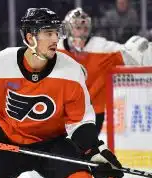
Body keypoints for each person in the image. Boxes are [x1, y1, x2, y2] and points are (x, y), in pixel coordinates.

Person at [0, 8, 124, 178]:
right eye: (48, 33)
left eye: (57, 33)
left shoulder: (71, 70)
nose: (56, 39)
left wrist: (94, 151)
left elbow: (79, 121)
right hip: (4, 142)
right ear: (29, 37)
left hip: (53, 143)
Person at [58, 7, 149, 135]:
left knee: (83, 150)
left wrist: (139, 47)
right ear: (68, 29)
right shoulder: (55, 49)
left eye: (85, 28)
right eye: (78, 28)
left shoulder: (102, 47)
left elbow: (128, 54)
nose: (82, 32)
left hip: (93, 112)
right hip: (64, 111)